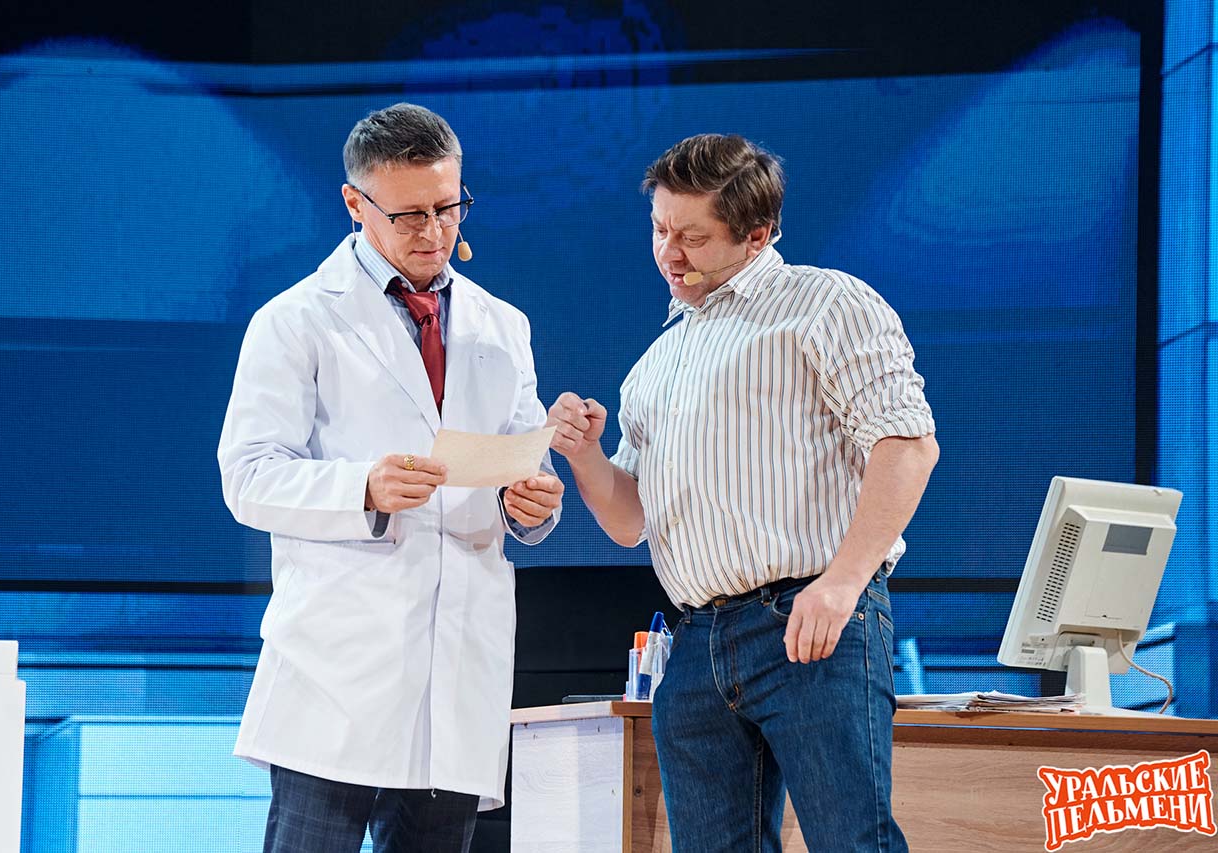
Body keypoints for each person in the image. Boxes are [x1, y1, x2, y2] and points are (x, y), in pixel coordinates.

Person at [546, 133, 938, 852]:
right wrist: (585, 455)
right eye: (660, 230)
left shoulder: (826, 303)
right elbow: (631, 521)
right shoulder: (656, 362)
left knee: (852, 842)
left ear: (757, 235)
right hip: (697, 640)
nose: (670, 254)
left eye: (693, 237)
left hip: (810, 619)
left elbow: (907, 444)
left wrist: (842, 583)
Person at [218, 102, 563, 853]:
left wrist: (531, 504)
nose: (433, 231)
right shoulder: (297, 320)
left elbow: (518, 463)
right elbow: (247, 476)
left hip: (459, 661)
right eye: (409, 215)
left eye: (448, 207)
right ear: (355, 203)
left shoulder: (503, 325)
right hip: (338, 667)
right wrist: (361, 489)